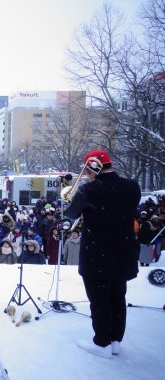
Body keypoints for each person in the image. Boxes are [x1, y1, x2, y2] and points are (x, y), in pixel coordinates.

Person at [65, 149, 141, 359]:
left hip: (97, 255)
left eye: (88, 169)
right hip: (123, 252)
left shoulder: (88, 190)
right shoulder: (132, 187)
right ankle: (115, 341)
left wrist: (73, 193)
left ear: (93, 167)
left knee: (99, 300)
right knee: (118, 297)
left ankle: (101, 343)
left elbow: (71, 213)